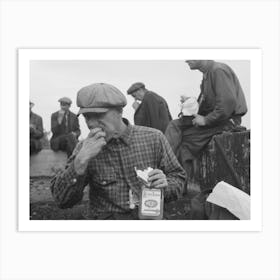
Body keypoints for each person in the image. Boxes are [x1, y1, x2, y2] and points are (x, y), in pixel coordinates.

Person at [51, 83, 185, 220]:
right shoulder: (83, 148)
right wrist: (79, 163)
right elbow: (62, 200)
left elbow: (178, 177)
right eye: (87, 117)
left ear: (119, 111)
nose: (90, 123)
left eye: (98, 115)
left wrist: (165, 186)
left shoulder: (154, 138)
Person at [165, 60, 248, 174]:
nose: (186, 60)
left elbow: (226, 104)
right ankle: (164, 165)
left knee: (185, 143)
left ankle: (173, 180)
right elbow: (209, 105)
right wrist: (191, 102)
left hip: (226, 121)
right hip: (217, 120)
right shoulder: (208, 74)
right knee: (174, 124)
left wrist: (206, 120)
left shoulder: (218, 70)